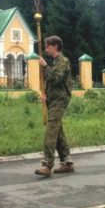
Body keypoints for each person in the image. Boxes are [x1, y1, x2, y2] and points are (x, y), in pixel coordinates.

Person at [35, 36, 74, 177]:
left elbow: (57, 79)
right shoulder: (55, 62)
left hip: (60, 100)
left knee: (51, 131)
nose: (46, 49)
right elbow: (51, 82)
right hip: (52, 100)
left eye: (48, 47)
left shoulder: (64, 61)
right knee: (57, 131)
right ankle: (67, 162)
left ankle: (47, 165)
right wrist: (45, 95)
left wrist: (45, 66)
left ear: (55, 46)